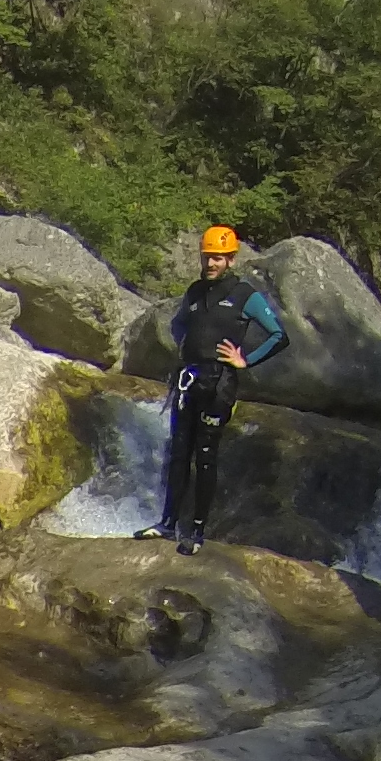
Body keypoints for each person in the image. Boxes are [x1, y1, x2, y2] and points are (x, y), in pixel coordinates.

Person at [149, 225, 286, 556]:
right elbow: (179, 323)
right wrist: (184, 344)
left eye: (219, 258)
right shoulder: (195, 291)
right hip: (189, 379)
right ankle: (167, 524)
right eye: (208, 256)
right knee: (179, 453)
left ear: (231, 259)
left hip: (219, 384)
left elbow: (279, 336)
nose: (212, 263)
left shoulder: (245, 295)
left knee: (205, 457)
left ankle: (196, 532)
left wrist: (245, 360)